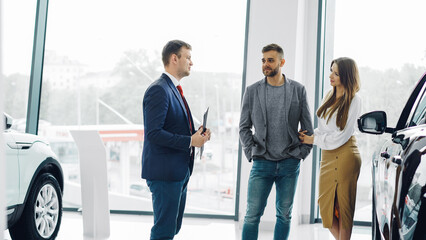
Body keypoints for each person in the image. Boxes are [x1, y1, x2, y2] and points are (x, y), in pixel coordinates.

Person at [239, 43, 314, 240]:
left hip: (289, 162)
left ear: (282, 62)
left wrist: (301, 154)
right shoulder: (252, 90)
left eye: (270, 60)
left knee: (284, 215)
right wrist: (251, 152)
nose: (266, 64)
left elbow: (308, 127)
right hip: (262, 162)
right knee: (252, 215)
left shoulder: (298, 90)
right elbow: (244, 127)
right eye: (263, 60)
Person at [141, 40, 211, 240]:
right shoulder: (159, 90)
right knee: (164, 232)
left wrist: (198, 134)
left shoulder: (173, 89)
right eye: (188, 57)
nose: (191, 62)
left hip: (178, 171)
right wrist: (190, 141)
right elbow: (154, 133)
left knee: (172, 229)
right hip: (165, 174)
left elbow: (174, 126)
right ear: (174, 58)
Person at [299, 57, 361, 240]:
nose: (330, 76)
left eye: (336, 73)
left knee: (344, 208)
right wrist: (309, 136)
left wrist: (314, 140)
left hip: (346, 154)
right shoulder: (328, 94)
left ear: (347, 76)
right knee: (325, 205)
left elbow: (342, 135)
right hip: (327, 155)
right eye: (331, 71)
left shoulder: (354, 100)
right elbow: (325, 129)